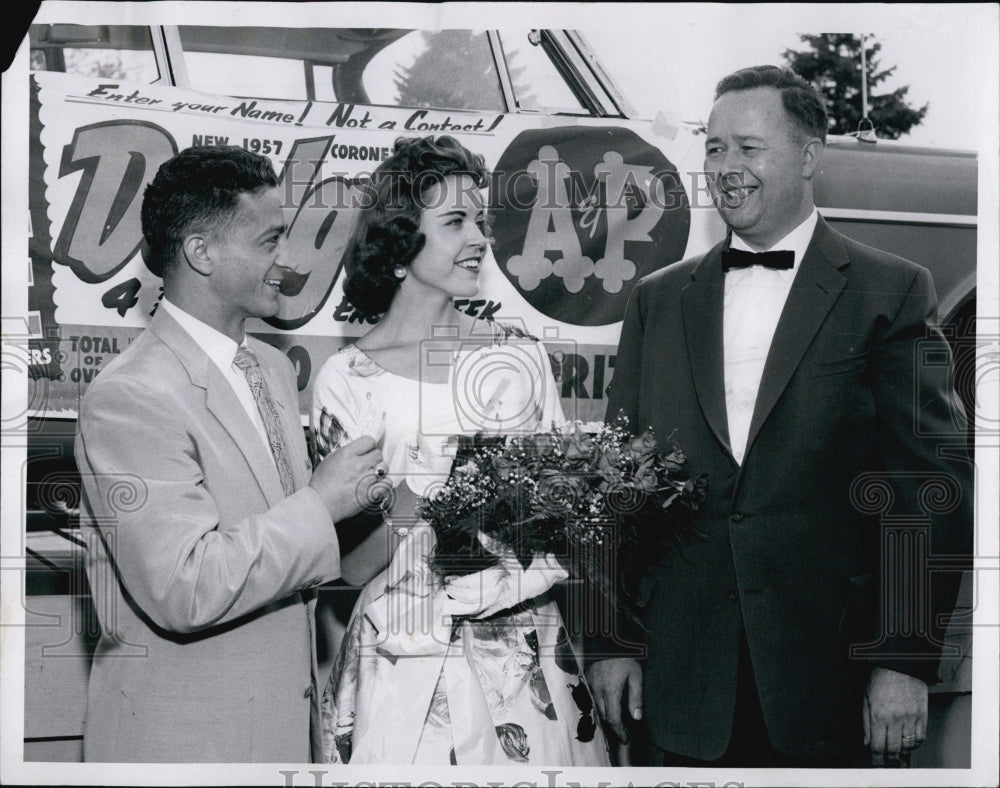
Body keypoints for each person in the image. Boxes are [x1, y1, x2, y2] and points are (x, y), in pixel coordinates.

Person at [586, 65, 973, 768]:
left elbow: (931, 489)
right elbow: (616, 492)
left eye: (749, 148)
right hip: (678, 692)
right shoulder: (656, 301)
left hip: (833, 690)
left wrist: (904, 660)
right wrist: (608, 641)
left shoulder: (892, 291)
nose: (726, 169)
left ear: (810, 155)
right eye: (713, 148)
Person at [75, 145, 384, 762]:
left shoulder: (269, 367)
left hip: (280, 737)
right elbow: (186, 587)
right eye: (271, 241)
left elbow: (288, 548)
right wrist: (321, 503)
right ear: (201, 253)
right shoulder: (130, 396)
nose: (292, 261)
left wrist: (367, 504)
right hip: (187, 749)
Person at [311, 135, 611, 766]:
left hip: (525, 658)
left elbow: (567, 526)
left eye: (480, 220)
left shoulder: (518, 356)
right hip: (404, 668)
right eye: (455, 222)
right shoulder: (348, 378)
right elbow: (353, 568)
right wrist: (418, 496)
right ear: (400, 244)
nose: (479, 237)